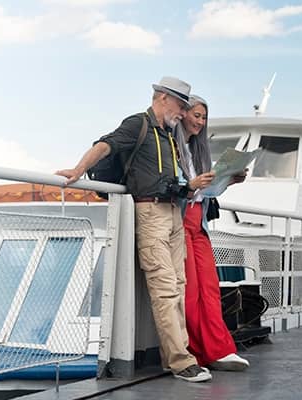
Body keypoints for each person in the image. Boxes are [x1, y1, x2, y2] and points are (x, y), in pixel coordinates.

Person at [56, 77, 212, 383]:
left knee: (178, 286)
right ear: (163, 98)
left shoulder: (168, 135)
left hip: (171, 212)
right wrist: (77, 170)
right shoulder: (137, 124)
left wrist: (191, 187)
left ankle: (174, 358)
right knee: (165, 289)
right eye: (181, 105)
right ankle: (182, 363)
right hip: (150, 212)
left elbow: (171, 178)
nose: (182, 112)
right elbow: (104, 145)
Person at [174, 95, 250, 371]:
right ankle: (196, 352)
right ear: (183, 114)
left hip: (199, 225)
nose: (200, 122)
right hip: (180, 224)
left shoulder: (198, 150)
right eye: (196, 115)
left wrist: (228, 179)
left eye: (204, 117)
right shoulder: (172, 146)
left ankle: (220, 349)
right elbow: (175, 185)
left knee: (210, 288)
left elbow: (206, 192)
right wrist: (192, 184)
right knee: (190, 291)